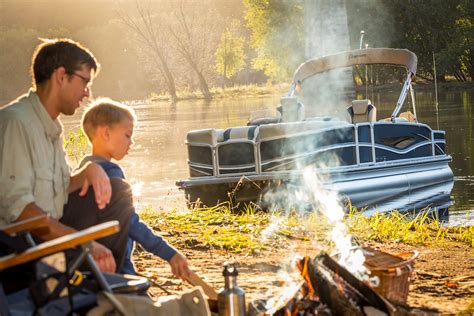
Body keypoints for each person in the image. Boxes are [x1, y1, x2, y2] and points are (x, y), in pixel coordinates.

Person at [0, 38, 134, 273]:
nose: (87, 93)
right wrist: (82, 241)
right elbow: (20, 211)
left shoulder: (51, 127)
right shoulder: (16, 123)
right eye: (84, 81)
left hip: (48, 228)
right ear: (61, 76)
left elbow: (59, 192)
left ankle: (111, 274)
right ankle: (101, 279)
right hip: (20, 246)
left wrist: (88, 172)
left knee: (117, 190)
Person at [79, 98, 191, 279]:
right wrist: (170, 254)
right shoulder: (111, 173)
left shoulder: (82, 171)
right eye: (127, 135)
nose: (131, 142)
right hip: (117, 266)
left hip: (89, 264)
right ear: (106, 133)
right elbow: (130, 223)